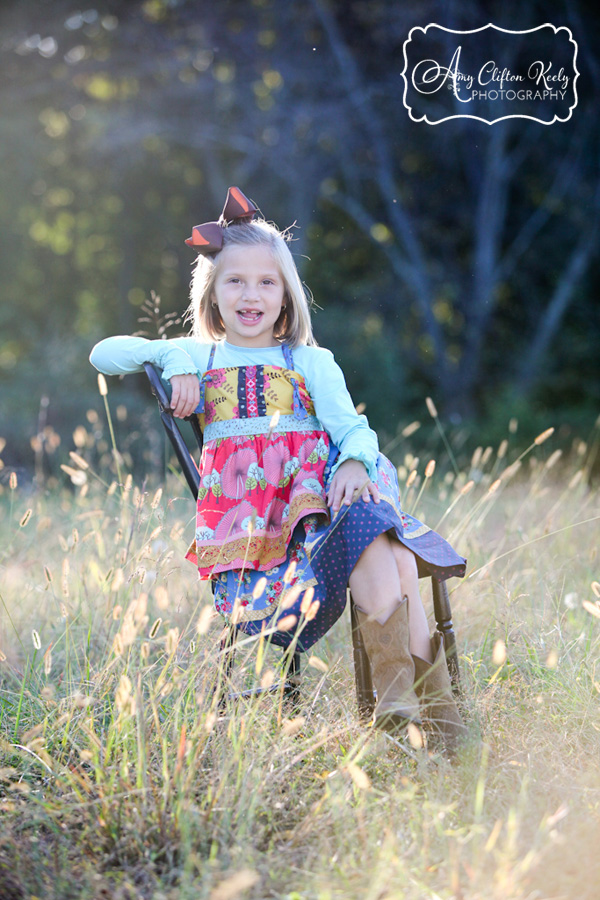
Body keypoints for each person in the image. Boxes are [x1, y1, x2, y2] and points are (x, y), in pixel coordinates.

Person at [90, 186, 468, 752]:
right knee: (386, 549)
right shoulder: (202, 356)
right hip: (262, 543)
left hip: (328, 509)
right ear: (212, 294)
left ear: (286, 297)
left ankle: (399, 704)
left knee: (369, 529)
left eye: (267, 282)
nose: (251, 295)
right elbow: (103, 353)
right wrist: (169, 354)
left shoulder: (311, 361)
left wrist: (358, 462)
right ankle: (433, 715)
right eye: (234, 281)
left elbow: (354, 430)